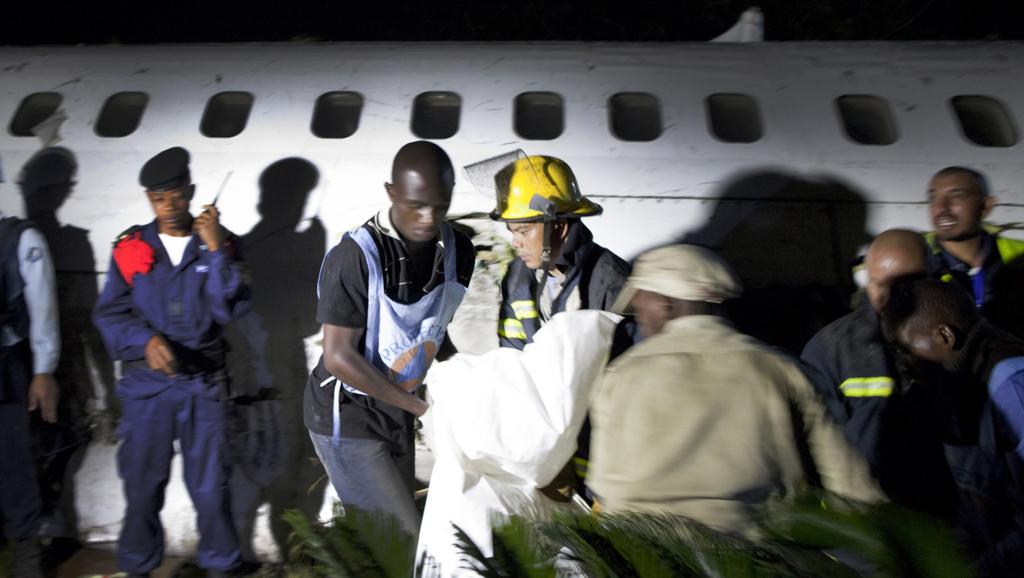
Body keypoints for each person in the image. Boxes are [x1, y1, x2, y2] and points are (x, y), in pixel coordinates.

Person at [587, 244, 883, 538]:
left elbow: (605, 489)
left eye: (640, 305)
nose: (640, 318)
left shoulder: (620, 377)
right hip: (753, 558)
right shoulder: (780, 370)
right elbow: (851, 486)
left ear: (665, 303)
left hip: (643, 556)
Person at [93, 147, 251, 577]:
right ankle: (138, 567)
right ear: (149, 199)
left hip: (204, 383)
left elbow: (228, 311)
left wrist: (217, 252)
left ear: (191, 193)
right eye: (158, 198)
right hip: (147, 387)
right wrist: (144, 340)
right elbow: (108, 313)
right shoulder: (130, 248)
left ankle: (221, 567)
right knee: (142, 487)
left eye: (176, 196)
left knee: (210, 488)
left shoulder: (223, 243)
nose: (168, 206)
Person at [303, 141, 474, 537]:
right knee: (403, 537)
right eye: (416, 205)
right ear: (391, 192)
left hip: (397, 410)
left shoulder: (458, 250)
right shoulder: (356, 256)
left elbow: (431, 330)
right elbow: (338, 357)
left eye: (439, 205)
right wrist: (421, 408)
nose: (429, 218)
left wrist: (462, 382)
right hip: (345, 414)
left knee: (392, 534)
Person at [486, 154, 631, 495]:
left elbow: (625, 390)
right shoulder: (520, 276)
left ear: (559, 226)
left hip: (601, 455)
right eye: (511, 230)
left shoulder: (611, 282)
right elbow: (513, 356)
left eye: (523, 230)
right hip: (547, 447)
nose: (515, 242)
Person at [801, 229, 956, 518]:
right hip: (869, 519)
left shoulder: (957, 333)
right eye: (877, 283)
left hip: (948, 513)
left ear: (932, 276)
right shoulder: (832, 348)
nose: (886, 297)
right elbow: (815, 446)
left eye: (904, 284)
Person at [884, 278, 1024, 577]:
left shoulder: (1009, 383)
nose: (904, 363)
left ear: (945, 336)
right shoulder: (956, 385)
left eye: (907, 348)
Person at [0, 206, 60, 578]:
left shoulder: (20, 238)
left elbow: (43, 309)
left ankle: (25, 546)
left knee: (13, 461)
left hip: (5, 363)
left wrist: (43, 370)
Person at [925, 166, 1024, 337]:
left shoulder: (1019, 254)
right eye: (933, 197)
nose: (941, 208)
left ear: (986, 206)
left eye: (957, 196)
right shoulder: (911, 260)